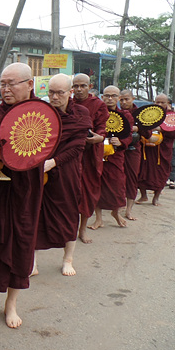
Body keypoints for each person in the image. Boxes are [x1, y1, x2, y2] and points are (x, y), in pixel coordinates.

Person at [0, 62, 44, 329]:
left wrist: (11, 153)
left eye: (11, 84)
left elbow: (47, 143)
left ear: (29, 85)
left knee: (21, 241)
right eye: (2, 84)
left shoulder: (42, 114)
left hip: (25, 188)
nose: (5, 89)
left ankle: (12, 304)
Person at [33, 74, 91, 276]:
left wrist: (54, 162)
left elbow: (78, 146)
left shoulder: (81, 113)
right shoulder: (42, 112)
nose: (55, 97)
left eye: (60, 92)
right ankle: (32, 263)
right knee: (36, 213)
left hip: (67, 170)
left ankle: (68, 259)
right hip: (40, 169)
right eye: (51, 92)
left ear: (70, 92)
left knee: (69, 212)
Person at [90, 86, 133, 230]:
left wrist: (121, 142)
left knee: (117, 184)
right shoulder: (97, 113)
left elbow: (128, 135)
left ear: (118, 98)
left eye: (113, 96)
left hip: (115, 155)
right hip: (97, 153)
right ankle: (98, 219)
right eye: (106, 96)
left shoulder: (125, 115)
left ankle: (116, 212)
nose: (109, 99)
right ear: (102, 97)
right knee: (97, 183)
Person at [72, 73, 108, 243]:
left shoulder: (98, 105)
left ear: (90, 86)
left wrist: (99, 137)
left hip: (89, 154)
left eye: (83, 86)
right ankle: (68, 229)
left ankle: (82, 229)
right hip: (70, 153)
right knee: (69, 191)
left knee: (87, 192)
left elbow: (102, 127)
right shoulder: (67, 102)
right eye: (76, 86)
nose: (79, 90)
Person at [136, 94, 175, 205]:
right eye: (157, 102)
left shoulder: (171, 116)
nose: (159, 105)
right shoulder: (149, 114)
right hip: (147, 148)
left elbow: (172, 131)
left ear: (168, 104)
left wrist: (162, 129)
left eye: (162, 102)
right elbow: (142, 125)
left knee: (161, 172)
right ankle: (143, 196)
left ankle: (156, 197)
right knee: (142, 170)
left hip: (163, 149)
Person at [119, 89, 142, 220]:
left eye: (126, 99)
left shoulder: (139, 114)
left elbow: (148, 133)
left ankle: (129, 209)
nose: (123, 102)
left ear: (133, 99)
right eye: (121, 99)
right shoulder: (116, 113)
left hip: (133, 150)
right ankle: (119, 204)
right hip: (118, 149)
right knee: (118, 177)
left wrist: (138, 128)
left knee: (132, 178)